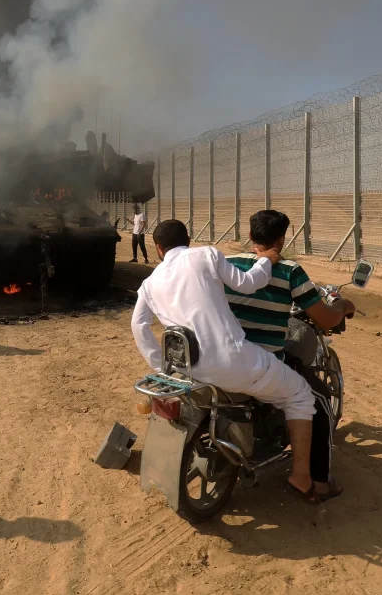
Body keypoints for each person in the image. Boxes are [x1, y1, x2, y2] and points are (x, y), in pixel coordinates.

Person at [130, 218, 321, 501]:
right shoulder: (204, 254)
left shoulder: (149, 283)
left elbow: (139, 326)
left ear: (158, 248)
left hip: (188, 370)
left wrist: (161, 366)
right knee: (301, 394)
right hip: (233, 362)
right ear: (189, 239)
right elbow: (248, 283)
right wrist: (265, 259)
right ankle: (302, 477)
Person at [224, 210, 354, 502]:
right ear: (283, 238)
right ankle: (317, 482)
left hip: (223, 356)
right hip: (262, 361)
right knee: (318, 399)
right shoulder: (289, 270)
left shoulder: (227, 264)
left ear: (249, 236)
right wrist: (343, 306)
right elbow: (323, 319)